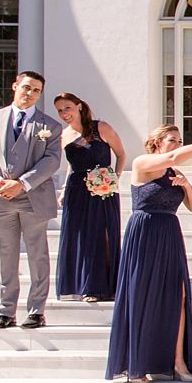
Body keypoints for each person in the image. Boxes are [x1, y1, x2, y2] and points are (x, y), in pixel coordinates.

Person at [106, 125, 192, 383]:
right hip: (144, 231)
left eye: (180, 141)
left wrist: (186, 185)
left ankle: (178, 362)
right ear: (157, 142)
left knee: (178, 296)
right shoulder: (143, 163)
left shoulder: (175, 172)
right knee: (140, 294)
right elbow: (172, 158)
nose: (176, 145)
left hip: (169, 233)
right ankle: (137, 364)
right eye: (172, 140)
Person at [0, 71, 62, 329]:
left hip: (33, 198)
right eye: (26, 87)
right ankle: (6, 310)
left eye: (36, 90)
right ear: (15, 86)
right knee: (5, 256)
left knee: (38, 256)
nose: (30, 93)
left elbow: (52, 160)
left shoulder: (50, 127)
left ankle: (36, 310)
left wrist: (22, 183)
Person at [53, 92, 127, 304]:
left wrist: (113, 178)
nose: (63, 113)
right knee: (78, 236)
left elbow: (121, 154)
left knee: (100, 235)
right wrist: (65, 188)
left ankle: (101, 287)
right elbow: (72, 164)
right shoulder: (64, 135)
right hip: (77, 190)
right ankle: (81, 285)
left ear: (78, 106)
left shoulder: (101, 127)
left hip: (103, 189)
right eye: (59, 110)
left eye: (67, 107)